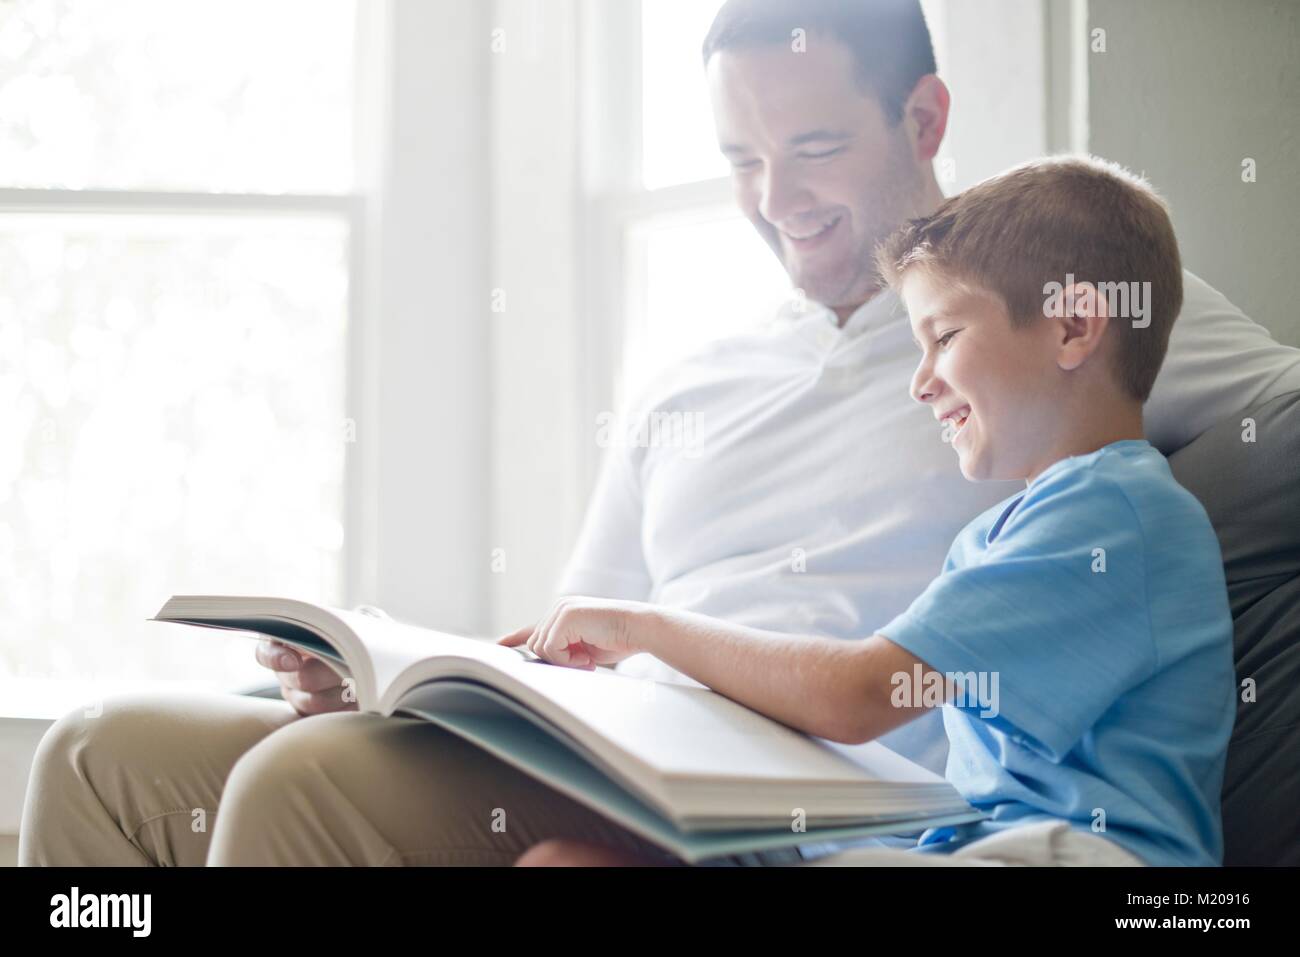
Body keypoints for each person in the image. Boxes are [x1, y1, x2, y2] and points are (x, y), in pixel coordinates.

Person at [18, 0, 1298, 867]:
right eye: (738, 159)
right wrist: (398, 668)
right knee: (104, 750)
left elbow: (1264, 426)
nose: (774, 200)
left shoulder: (1035, 311)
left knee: (305, 789)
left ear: (922, 123)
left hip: (806, 794)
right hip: (622, 738)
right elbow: (584, 627)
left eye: (809, 148)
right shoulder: (697, 371)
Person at [509, 156, 1235, 867]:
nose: (921, 383)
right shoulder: (1005, 528)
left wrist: (643, 628)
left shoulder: (1112, 511)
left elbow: (856, 695)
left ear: (1074, 326)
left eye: (944, 337)